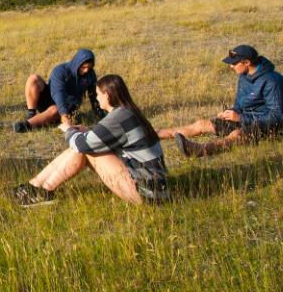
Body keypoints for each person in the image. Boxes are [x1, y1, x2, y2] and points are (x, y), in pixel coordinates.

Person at [10, 74, 170, 206]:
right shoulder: (127, 113)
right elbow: (110, 138)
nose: (97, 99)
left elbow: (81, 144)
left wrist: (69, 130)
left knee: (84, 150)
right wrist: (87, 131)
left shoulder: (119, 117)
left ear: (107, 95)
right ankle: (35, 187)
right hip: (155, 189)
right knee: (86, 146)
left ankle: (40, 190)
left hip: (149, 195)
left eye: (98, 94)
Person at [159, 44, 283, 157]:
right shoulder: (244, 75)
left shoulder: (272, 82)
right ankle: (156, 134)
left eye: (234, 63)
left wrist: (241, 118)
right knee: (202, 124)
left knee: (236, 135)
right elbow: (240, 103)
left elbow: (277, 116)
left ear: (247, 62)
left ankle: (199, 150)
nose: (231, 66)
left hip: (269, 126)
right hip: (243, 118)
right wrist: (231, 112)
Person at [14, 48, 103, 132]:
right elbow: (58, 93)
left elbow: (94, 95)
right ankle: (31, 114)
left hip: (68, 106)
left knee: (55, 109)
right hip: (52, 99)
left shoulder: (90, 75)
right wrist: (63, 114)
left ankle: (27, 125)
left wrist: (99, 112)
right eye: (83, 67)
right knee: (33, 78)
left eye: (89, 68)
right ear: (77, 63)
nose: (86, 71)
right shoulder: (61, 71)